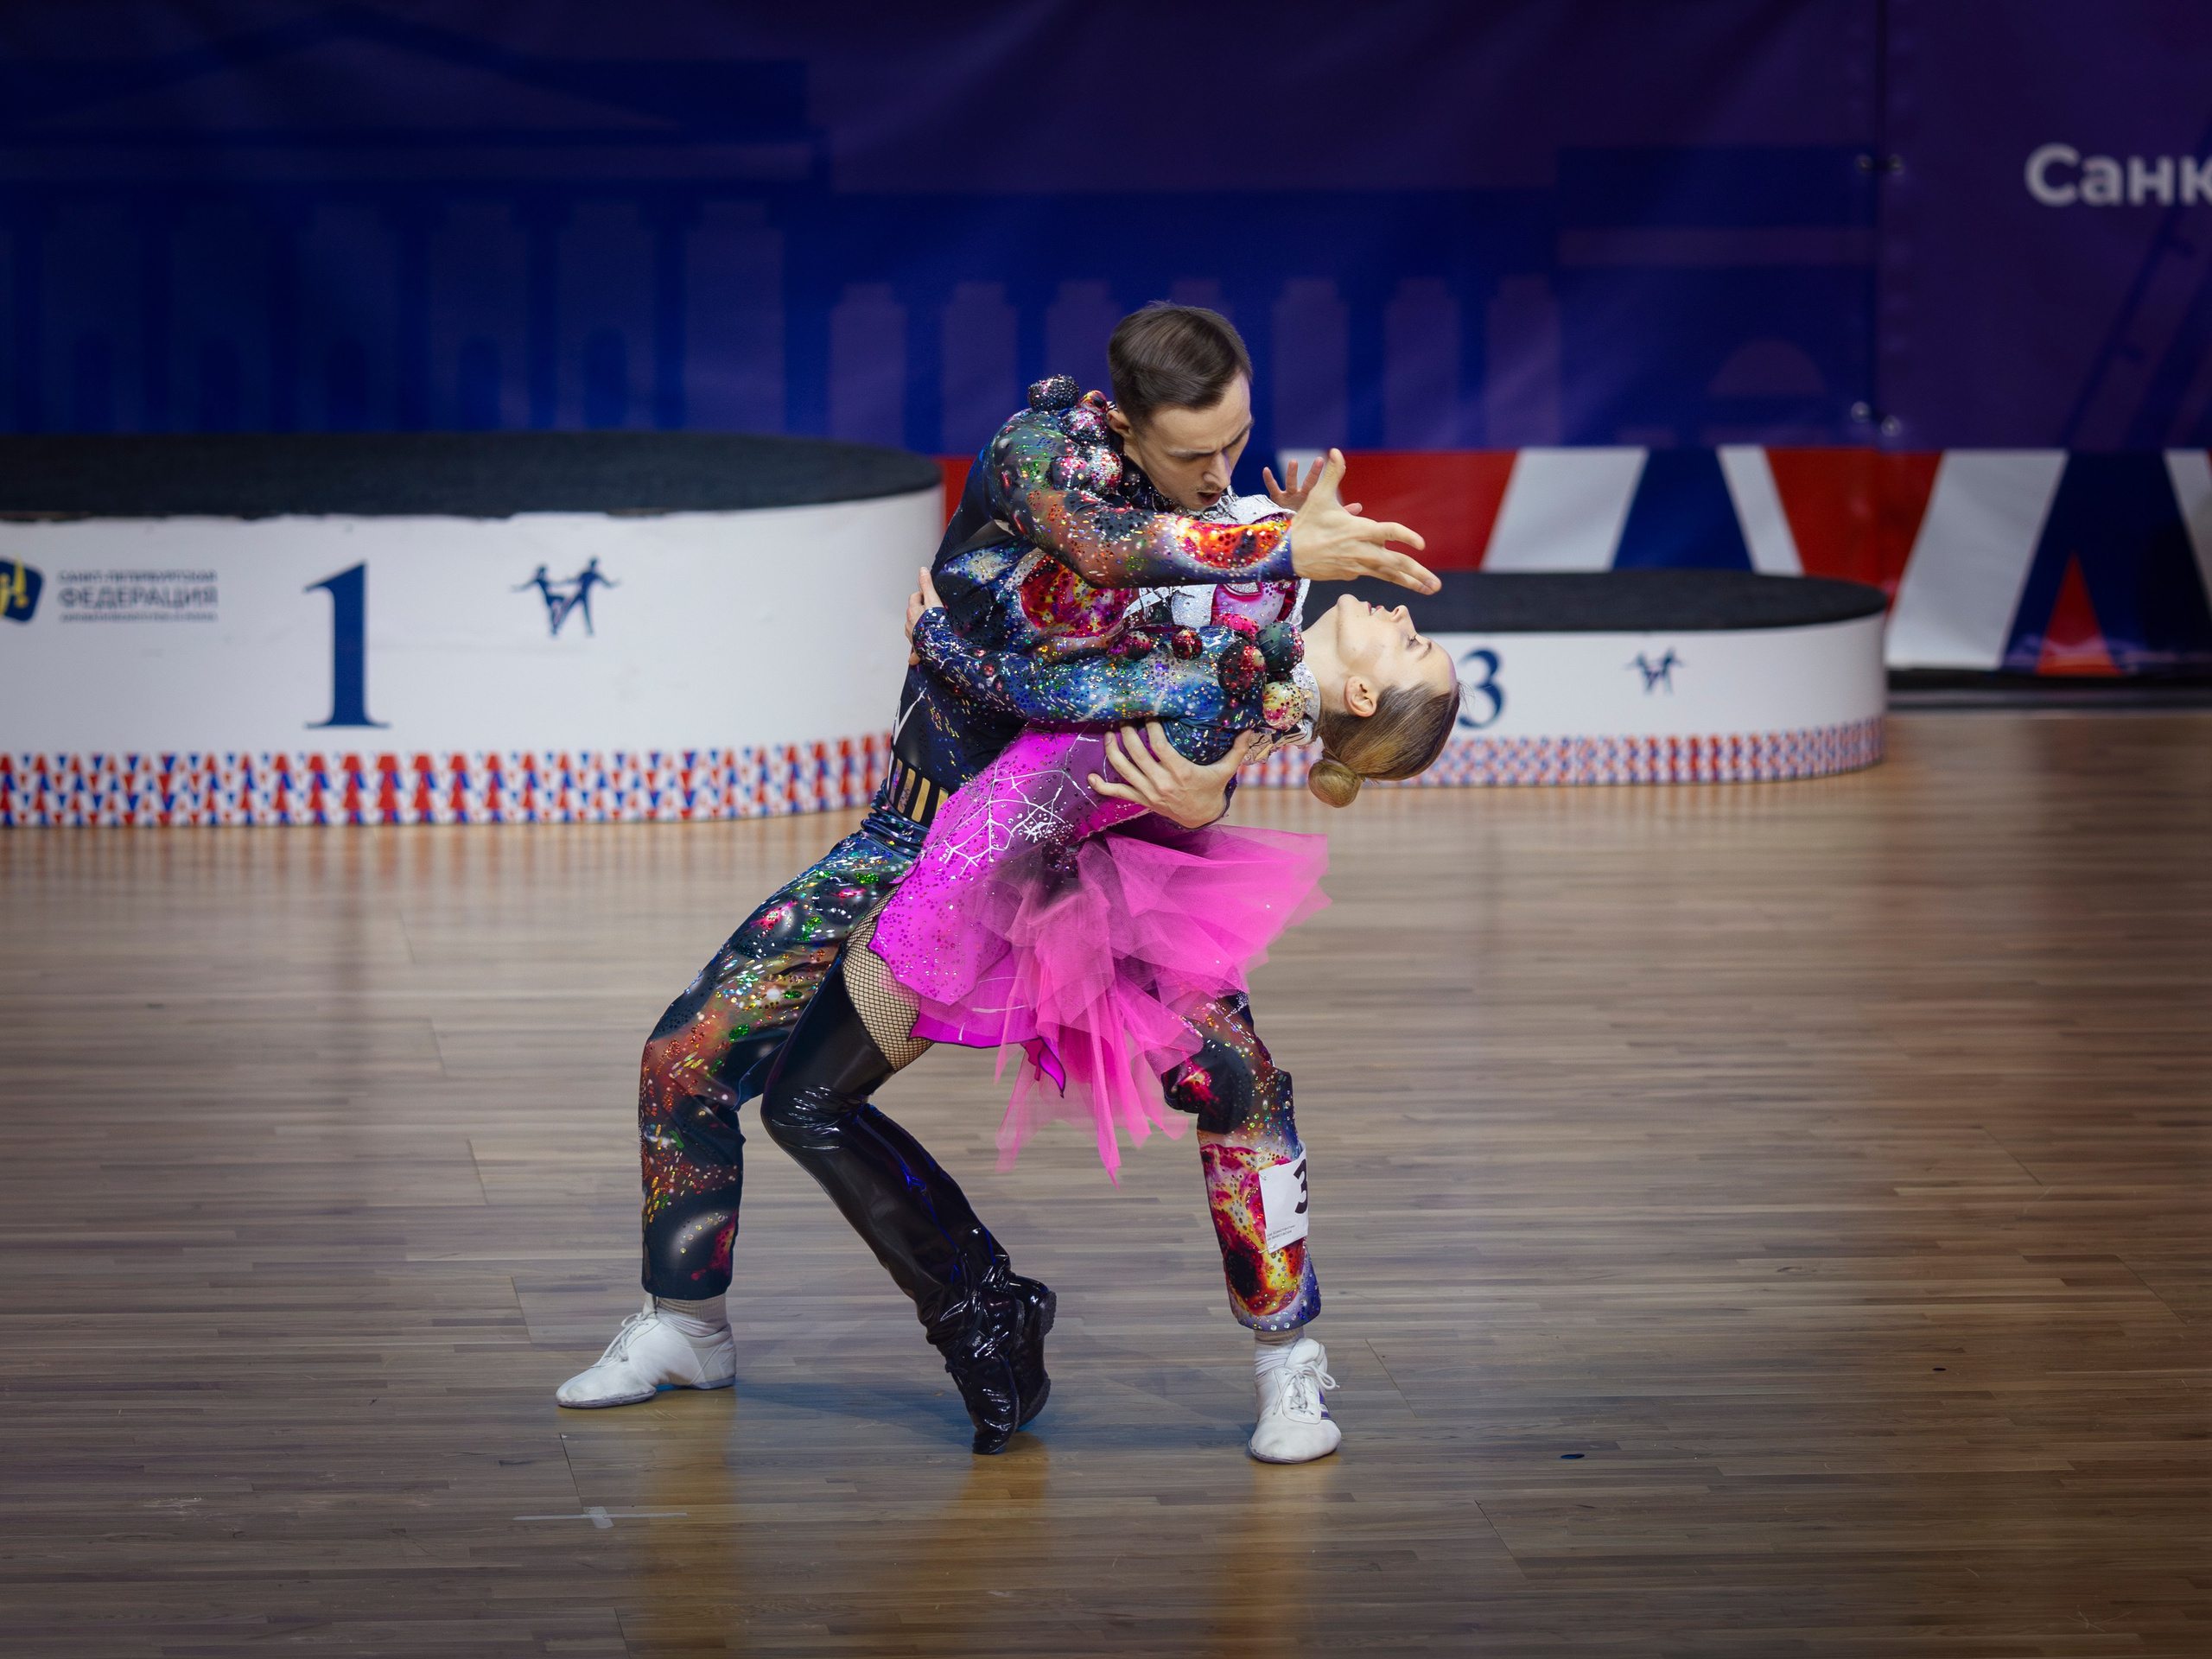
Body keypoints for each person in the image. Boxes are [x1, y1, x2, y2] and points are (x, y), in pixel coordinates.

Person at [556, 303, 1438, 1457]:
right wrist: (1269, 545)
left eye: (1239, 442)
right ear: (1127, 424)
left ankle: (1290, 1360)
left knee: (1238, 1080)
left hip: (1104, 878)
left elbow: (1219, 724)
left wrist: (1208, 790)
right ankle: (688, 1324)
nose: (1222, 474)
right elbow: (1106, 559)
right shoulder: (1047, 460)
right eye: (1194, 453)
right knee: (689, 1057)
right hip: (922, 840)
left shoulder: (1249, 544)